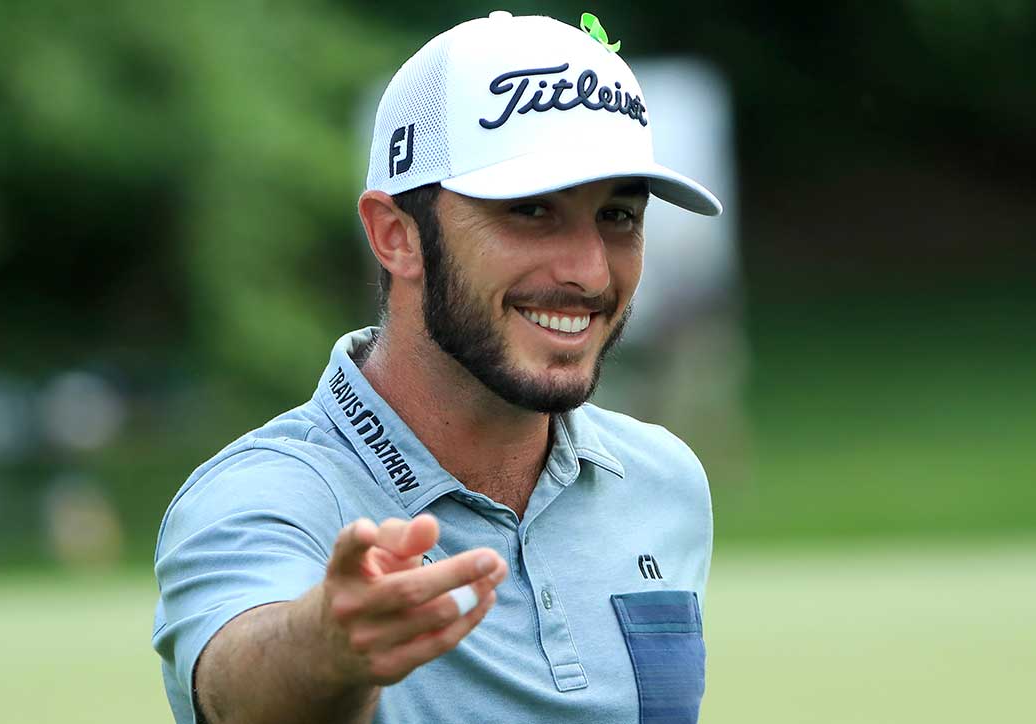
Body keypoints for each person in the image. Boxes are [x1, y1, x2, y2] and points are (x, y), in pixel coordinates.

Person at [153, 10, 722, 724]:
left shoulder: (664, 481)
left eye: (618, 217)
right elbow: (239, 688)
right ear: (396, 236)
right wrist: (327, 648)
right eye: (531, 210)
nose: (589, 272)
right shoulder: (268, 492)